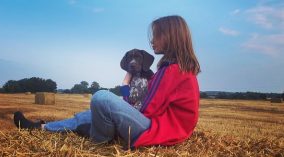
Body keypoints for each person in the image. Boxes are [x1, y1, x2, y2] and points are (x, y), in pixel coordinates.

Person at [13, 15, 200, 149]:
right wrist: (121, 102)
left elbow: (147, 109)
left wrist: (118, 105)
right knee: (94, 110)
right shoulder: (173, 69)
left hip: (158, 130)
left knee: (101, 97)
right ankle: (41, 127)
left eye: (157, 35)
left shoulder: (173, 71)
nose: (152, 40)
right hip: (158, 126)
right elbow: (142, 103)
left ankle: (100, 143)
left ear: (172, 37)